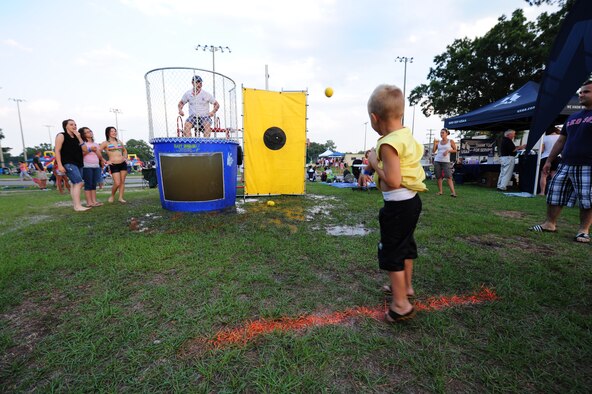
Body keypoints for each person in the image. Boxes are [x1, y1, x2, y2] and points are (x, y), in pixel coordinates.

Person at [365, 84, 427, 323]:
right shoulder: (405, 136)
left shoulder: (388, 143)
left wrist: (373, 162)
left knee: (392, 250)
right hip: (412, 202)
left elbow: (392, 180)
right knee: (405, 245)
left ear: (374, 118)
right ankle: (407, 287)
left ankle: (401, 304)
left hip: (398, 206)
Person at [529, 80, 592, 243]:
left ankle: (583, 230)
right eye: (581, 92)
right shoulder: (573, 117)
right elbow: (561, 141)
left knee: (587, 199)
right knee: (554, 194)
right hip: (566, 163)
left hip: (588, 164)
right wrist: (549, 161)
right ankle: (549, 224)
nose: (581, 94)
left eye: (586, 92)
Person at [54, 119, 89, 211]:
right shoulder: (61, 135)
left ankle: (76, 205)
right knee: (79, 182)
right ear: (66, 126)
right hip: (68, 162)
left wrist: (79, 137)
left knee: (74, 184)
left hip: (79, 163)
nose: (74, 126)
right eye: (71, 124)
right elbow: (57, 150)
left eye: (75, 124)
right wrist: (60, 165)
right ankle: (78, 206)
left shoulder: (77, 136)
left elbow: (85, 149)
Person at [100, 126, 128, 203]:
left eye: (115, 131)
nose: (114, 132)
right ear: (108, 133)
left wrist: (125, 158)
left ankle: (120, 197)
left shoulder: (119, 142)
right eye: (112, 131)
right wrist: (105, 161)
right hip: (113, 164)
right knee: (117, 182)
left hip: (123, 163)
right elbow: (98, 152)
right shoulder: (105, 143)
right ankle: (112, 195)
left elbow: (125, 151)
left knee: (122, 182)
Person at [79, 127, 104, 207]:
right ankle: (89, 202)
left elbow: (99, 156)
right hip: (87, 166)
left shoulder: (96, 144)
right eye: (87, 132)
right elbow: (80, 155)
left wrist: (97, 151)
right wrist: (89, 149)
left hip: (96, 165)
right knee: (88, 184)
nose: (90, 133)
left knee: (94, 184)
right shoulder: (83, 144)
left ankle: (94, 201)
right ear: (83, 134)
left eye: (90, 131)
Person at [432, 128, 457, 197]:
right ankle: (440, 191)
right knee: (439, 177)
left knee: (449, 177)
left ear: (446, 134)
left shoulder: (450, 141)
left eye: (443, 133)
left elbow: (455, 150)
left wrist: (448, 151)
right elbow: (433, 151)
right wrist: (434, 144)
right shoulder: (438, 142)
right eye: (440, 133)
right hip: (437, 160)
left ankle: (453, 192)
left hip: (446, 162)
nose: (441, 134)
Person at [538, 126, 561, 196]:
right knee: (554, 176)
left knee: (544, 175)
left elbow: (541, 150)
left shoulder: (544, 138)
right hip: (557, 157)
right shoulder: (560, 137)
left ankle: (542, 192)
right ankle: (554, 193)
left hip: (545, 157)